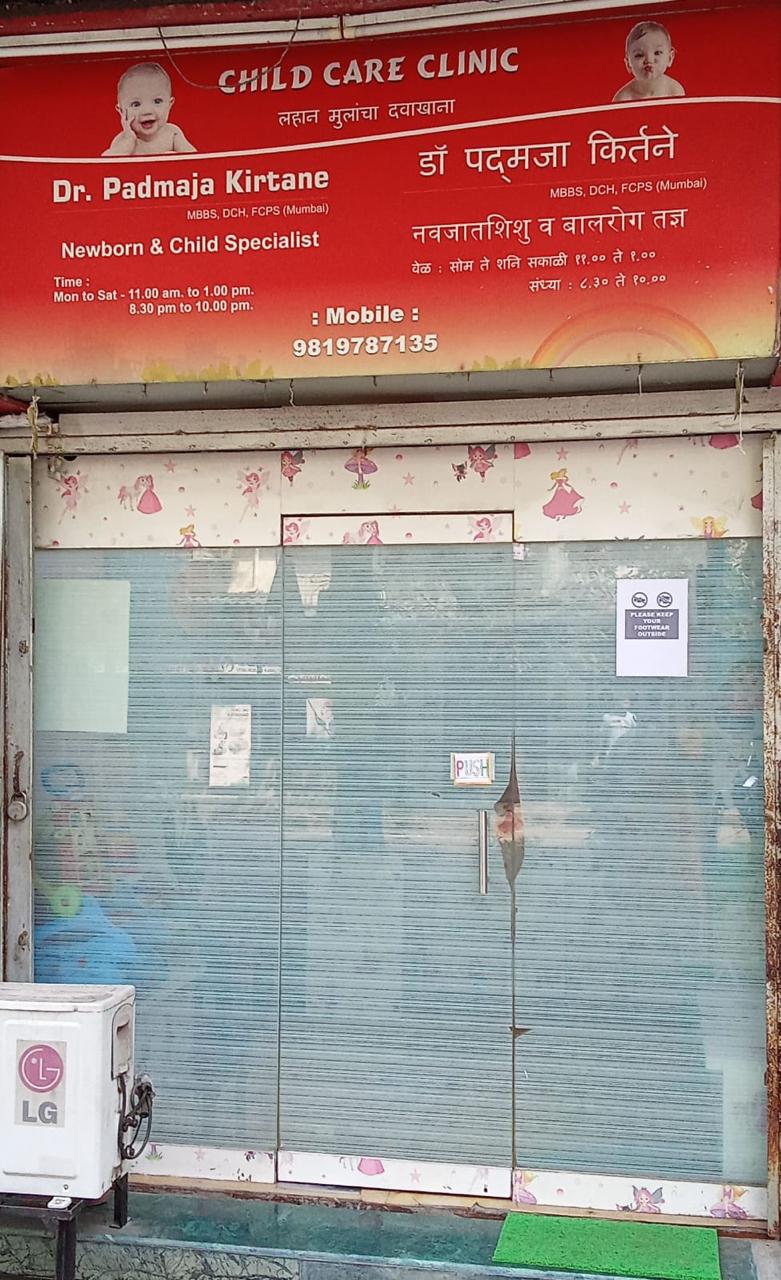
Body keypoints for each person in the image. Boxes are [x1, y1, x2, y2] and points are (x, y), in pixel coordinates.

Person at [102, 62, 195, 156]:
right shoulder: (123, 140)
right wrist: (128, 141)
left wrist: (173, 157)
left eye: (157, 101)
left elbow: (194, 157)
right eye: (136, 104)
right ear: (121, 111)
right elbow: (105, 160)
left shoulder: (172, 134)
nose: (147, 111)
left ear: (169, 105)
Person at [613, 21, 685, 103]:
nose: (649, 60)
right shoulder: (623, 99)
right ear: (628, 63)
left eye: (657, 53)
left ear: (670, 58)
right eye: (639, 55)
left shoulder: (674, 90)